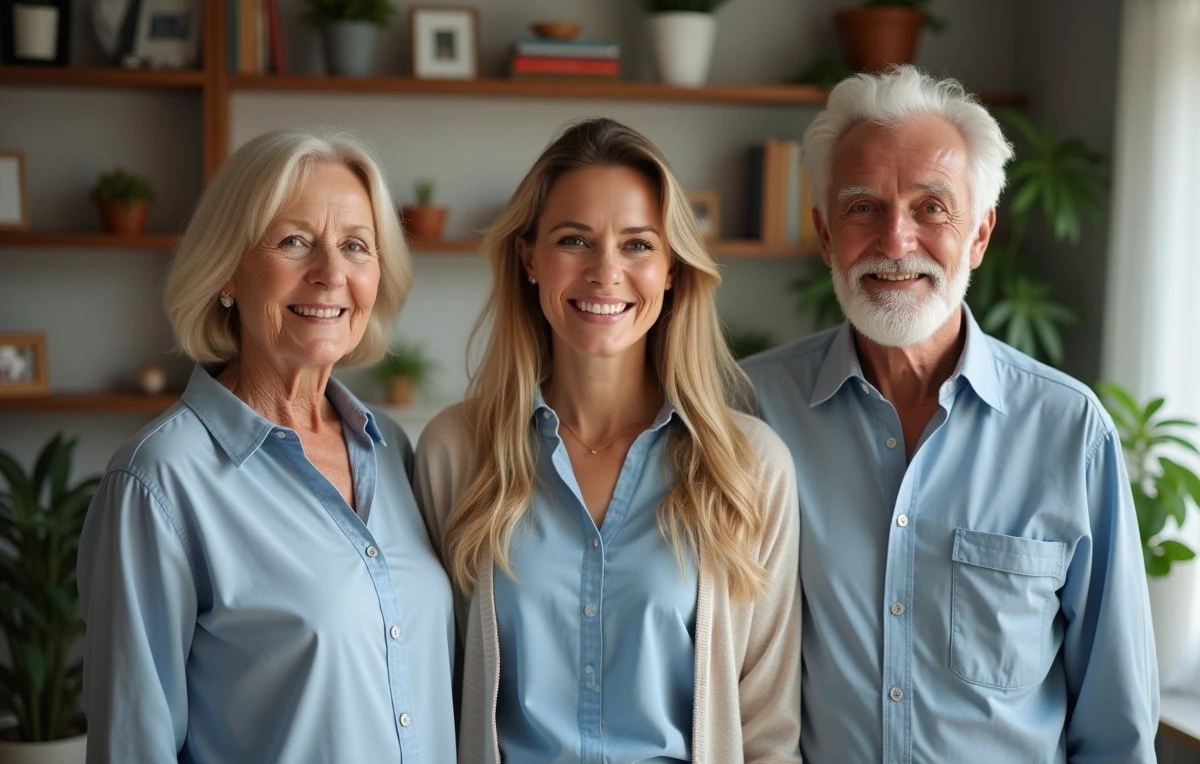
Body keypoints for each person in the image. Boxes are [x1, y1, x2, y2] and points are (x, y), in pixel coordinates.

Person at [742, 65, 1159, 763]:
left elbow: (1117, 728)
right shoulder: (749, 410)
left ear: (979, 234)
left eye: (931, 207)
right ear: (823, 234)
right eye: (862, 207)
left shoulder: (1069, 432)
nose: (896, 241)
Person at [414, 118, 801, 764]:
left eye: (637, 245)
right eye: (574, 240)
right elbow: (429, 699)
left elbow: (766, 730)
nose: (605, 272)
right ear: (529, 258)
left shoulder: (751, 466)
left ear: (673, 268)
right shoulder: (455, 453)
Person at [78, 130, 456, 763]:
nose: (331, 273)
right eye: (294, 241)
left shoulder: (391, 448)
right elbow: (132, 749)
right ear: (228, 268)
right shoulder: (158, 482)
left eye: (356, 246)